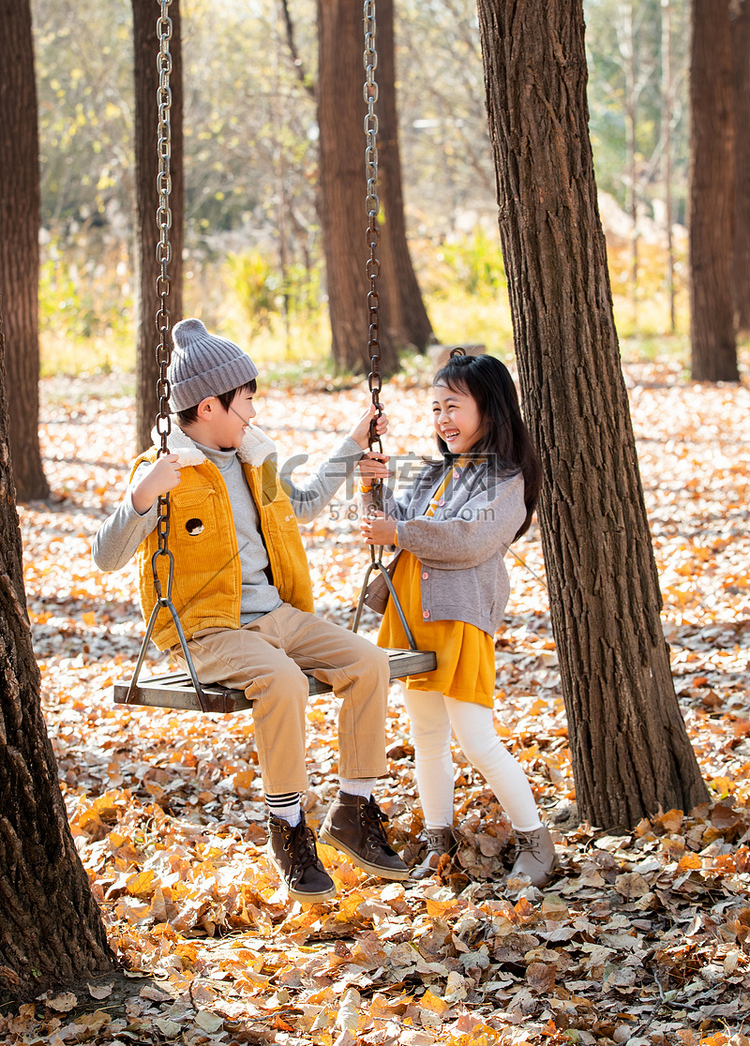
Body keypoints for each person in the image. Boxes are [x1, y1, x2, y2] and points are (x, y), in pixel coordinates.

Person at [93, 318, 409, 903]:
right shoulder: (164, 469)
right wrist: (142, 496)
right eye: (246, 402)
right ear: (208, 405)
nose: (254, 413)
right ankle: (287, 828)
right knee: (282, 681)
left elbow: (309, 503)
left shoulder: (255, 460)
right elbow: (106, 555)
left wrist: (352, 440)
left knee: (369, 661)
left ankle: (353, 809)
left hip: (276, 615)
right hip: (206, 629)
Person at [359, 348, 557, 888]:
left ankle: (537, 841)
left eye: (453, 406)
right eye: (434, 409)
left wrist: (399, 533)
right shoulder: (431, 476)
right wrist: (372, 484)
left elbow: (470, 540)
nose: (442, 419)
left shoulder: (507, 480)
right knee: (426, 736)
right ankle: (437, 840)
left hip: (460, 619)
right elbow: (389, 523)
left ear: (489, 411)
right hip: (412, 616)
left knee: (476, 738)